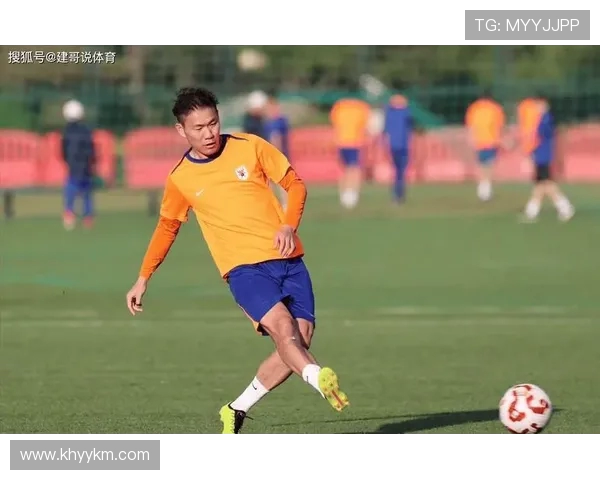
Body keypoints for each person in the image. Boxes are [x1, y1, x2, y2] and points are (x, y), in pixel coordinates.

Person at [125, 87, 349, 434]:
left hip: (288, 258)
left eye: (213, 123)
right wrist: (143, 277)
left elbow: (295, 184)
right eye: (198, 127)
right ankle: (317, 376)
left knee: (300, 339)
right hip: (243, 269)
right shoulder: (180, 178)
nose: (209, 133)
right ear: (181, 130)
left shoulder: (251, 146)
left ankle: (236, 409)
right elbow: (167, 227)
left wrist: (289, 225)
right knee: (284, 329)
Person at [521, 98, 575, 222]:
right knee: (541, 183)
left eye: (538, 105)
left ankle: (564, 207)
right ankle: (532, 211)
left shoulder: (545, 119)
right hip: (541, 155)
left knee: (546, 183)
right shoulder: (543, 119)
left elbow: (539, 136)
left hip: (543, 156)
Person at [329, 96, 371, 209]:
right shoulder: (361, 107)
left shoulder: (339, 106)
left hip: (342, 141)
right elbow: (366, 125)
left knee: (346, 169)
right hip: (354, 142)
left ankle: (345, 194)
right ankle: (352, 194)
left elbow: (334, 122)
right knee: (354, 169)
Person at [61, 99, 96, 230]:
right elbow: (91, 149)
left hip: (73, 167)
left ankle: (69, 213)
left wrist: (68, 161)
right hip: (86, 167)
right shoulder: (86, 131)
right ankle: (88, 217)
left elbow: (63, 151)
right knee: (86, 193)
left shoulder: (66, 132)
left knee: (70, 190)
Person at [464, 91, 506, 201]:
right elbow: (499, 125)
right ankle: (486, 188)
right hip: (491, 140)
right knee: (489, 165)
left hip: (479, 140)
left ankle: (482, 188)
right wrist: (502, 139)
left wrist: (471, 138)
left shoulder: (474, 108)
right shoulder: (495, 108)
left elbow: (470, 125)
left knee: (482, 165)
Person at [383, 94, 413, 203]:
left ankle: (398, 194)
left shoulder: (389, 113)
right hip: (400, 146)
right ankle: (398, 194)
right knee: (400, 171)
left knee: (398, 171)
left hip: (396, 146)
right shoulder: (404, 113)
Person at [264, 93, 291, 209]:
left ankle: (282, 205)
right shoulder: (280, 121)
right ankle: (282, 204)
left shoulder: (275, 122)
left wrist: (275, 154)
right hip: (279, 155)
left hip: (275, 155)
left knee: (277, 180)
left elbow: (276, 138)